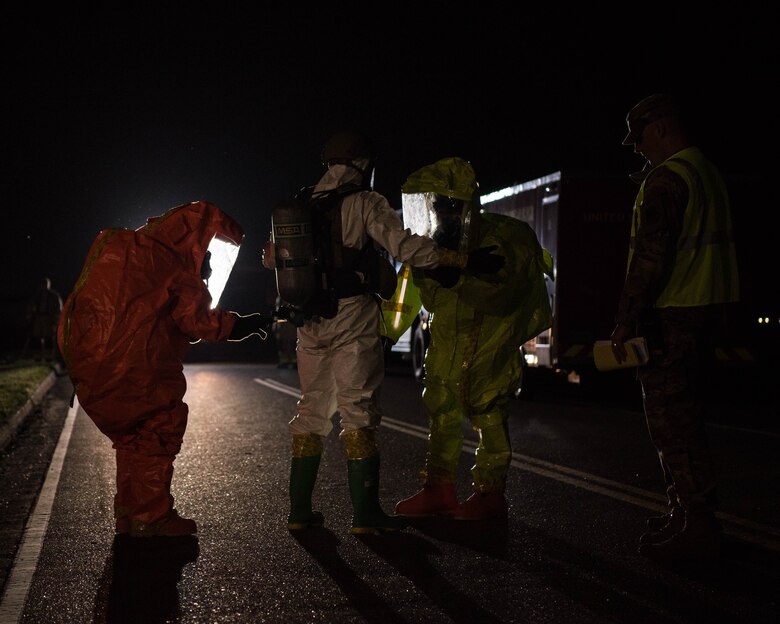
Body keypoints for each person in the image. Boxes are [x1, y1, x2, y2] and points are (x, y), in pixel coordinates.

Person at [262, 131, 505, 534]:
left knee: (310, 412)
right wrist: (459, 258)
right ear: (361, 164)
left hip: (311, 323)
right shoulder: (365, 202)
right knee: (359, 413)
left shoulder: (301, 204)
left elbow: (273, 258)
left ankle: (299, 512)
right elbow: (404, 247)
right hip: (352, 319)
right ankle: (365, 515)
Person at [58, 201, 272, 537]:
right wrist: (244, 324)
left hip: (90, 367)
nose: (208, 270)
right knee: (157, 430)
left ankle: (129, 513)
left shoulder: (123, 249)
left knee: (131, 438)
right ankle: (152, 517)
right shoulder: (175, 269)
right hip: (136, 368)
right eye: (208, 259)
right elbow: (200, 322)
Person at [610, 94, 739, 562]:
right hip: (708, 310)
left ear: (661, 128)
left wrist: (626, 318)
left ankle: (697, 524)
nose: (638, 148)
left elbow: (650, 258)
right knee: (688, 418)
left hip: (674, 312)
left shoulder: (667, 180)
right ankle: (685, 514)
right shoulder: (706, 172)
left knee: (671, 424)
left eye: (640, 137)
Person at [394, 157, 553, 521]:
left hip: (486, 347)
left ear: (467, 205)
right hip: (447, 346)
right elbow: (434, 300)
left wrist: (461, 275)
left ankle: (490, 494)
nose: (444, 215)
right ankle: (439, 489)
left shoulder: (496, 240)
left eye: (451, 207)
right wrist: (432, 271)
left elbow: (500, 294)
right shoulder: (439, 243)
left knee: (489, 414)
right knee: (442, 415)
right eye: (438, 207)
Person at [25, 276, 63, 361]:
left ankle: (48, 356)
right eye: (43, 284)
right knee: (37, 337)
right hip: (38, 318)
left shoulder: (54, 296)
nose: (44, 286)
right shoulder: (36, 296)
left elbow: (58, 309)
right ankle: (38, 356)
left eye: (46, 284)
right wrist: (29, 316)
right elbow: (31, 307)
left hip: (49, 318)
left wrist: (56, 321)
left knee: (49, 337)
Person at [272, 295, 298, 368]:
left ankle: (293, 360)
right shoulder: (280, 298)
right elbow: (277, 310)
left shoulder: (292, 296)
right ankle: (284, 360)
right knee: (283, 342)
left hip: (291, 321)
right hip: (282, 322)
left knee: (292, 341)